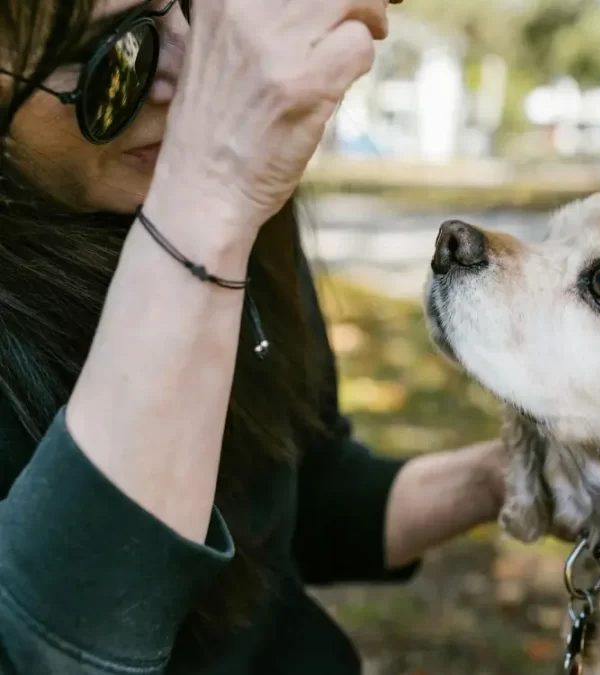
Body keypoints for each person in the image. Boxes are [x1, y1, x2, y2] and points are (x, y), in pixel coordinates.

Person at [0, 1, 507, 673]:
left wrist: (509, 475)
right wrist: (208, 203)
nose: (190, 73)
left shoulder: (225, 200)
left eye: (193, 12)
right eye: (116, 51)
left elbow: (303, 495)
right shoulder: (210, 198)